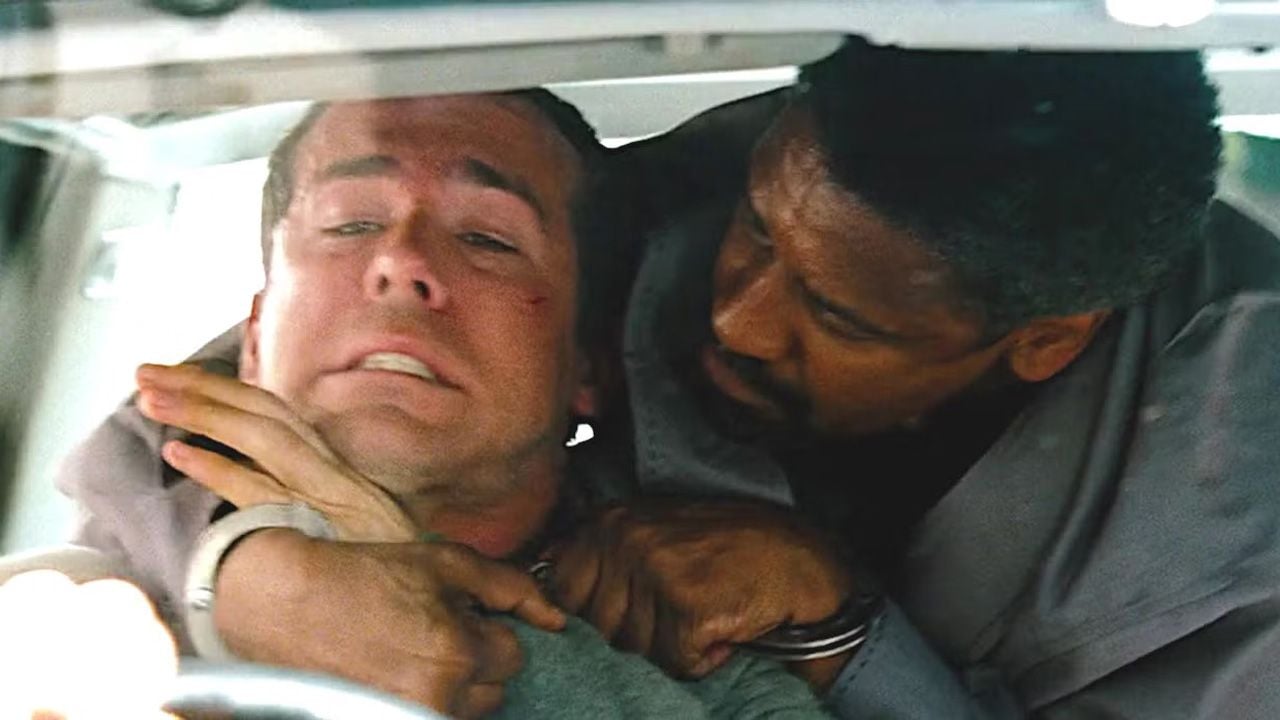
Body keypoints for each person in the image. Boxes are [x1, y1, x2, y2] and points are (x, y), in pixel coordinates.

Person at [543, 40, 1280, 718]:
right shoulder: (824, 146)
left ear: (1044, 342)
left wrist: (841, 633)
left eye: (837, 318)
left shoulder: (1242, 550)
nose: (738, 321)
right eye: (758, 228)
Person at [57, 91, 832, 720]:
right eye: (351, 223)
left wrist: (501, 662)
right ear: (253, 340)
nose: (402, 260)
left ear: (587, 365)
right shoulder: (78, 615)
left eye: (489, 238)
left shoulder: (711, 672)